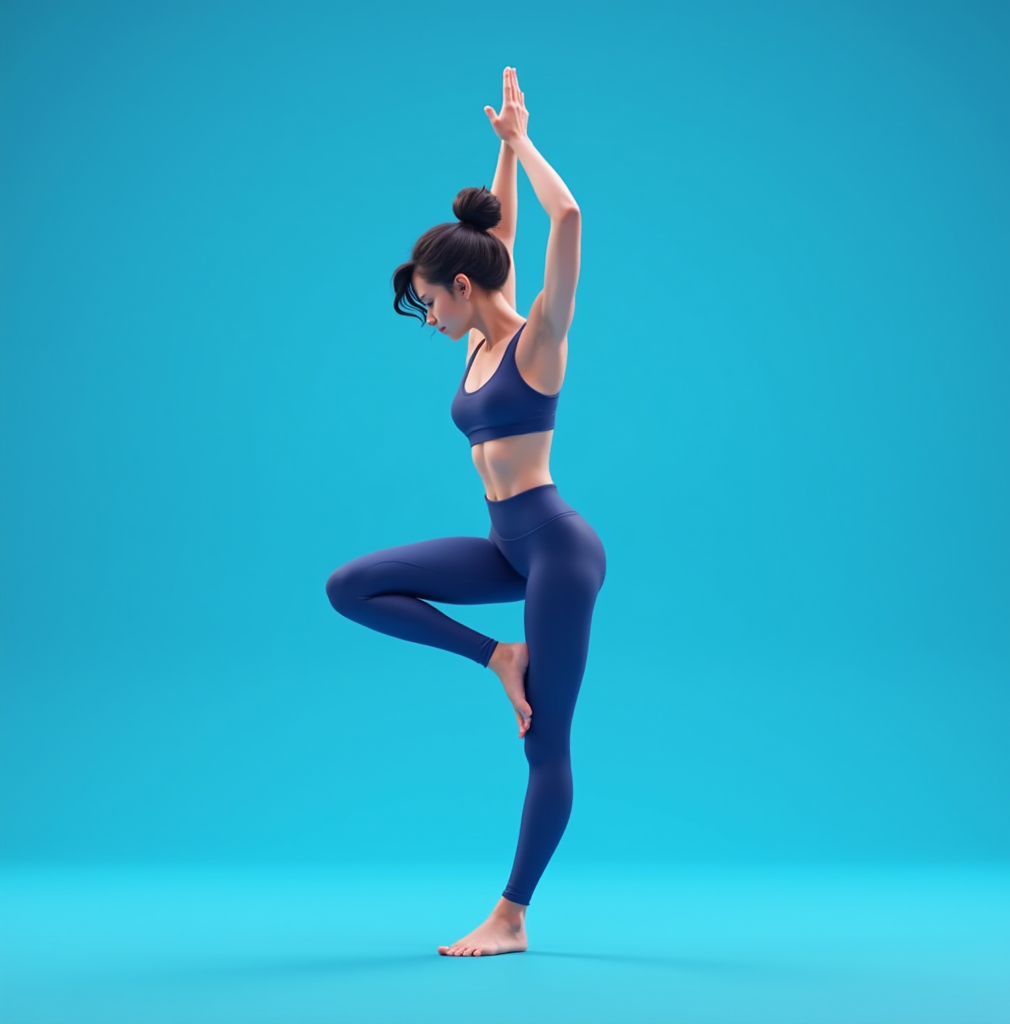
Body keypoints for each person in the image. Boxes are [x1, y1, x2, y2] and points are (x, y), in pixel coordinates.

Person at [325, 67, 606, 956]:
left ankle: (512, 917)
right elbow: (499, 233)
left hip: (557, 551)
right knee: (354, 586)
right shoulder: (483, 332)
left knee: (544, 741)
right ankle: (499, 656)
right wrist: (500, 142)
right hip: (502, 547)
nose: (429, 316)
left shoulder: (537, 338)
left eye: (429, 298)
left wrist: (526, 145)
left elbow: (563, 223)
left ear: (457, 285)